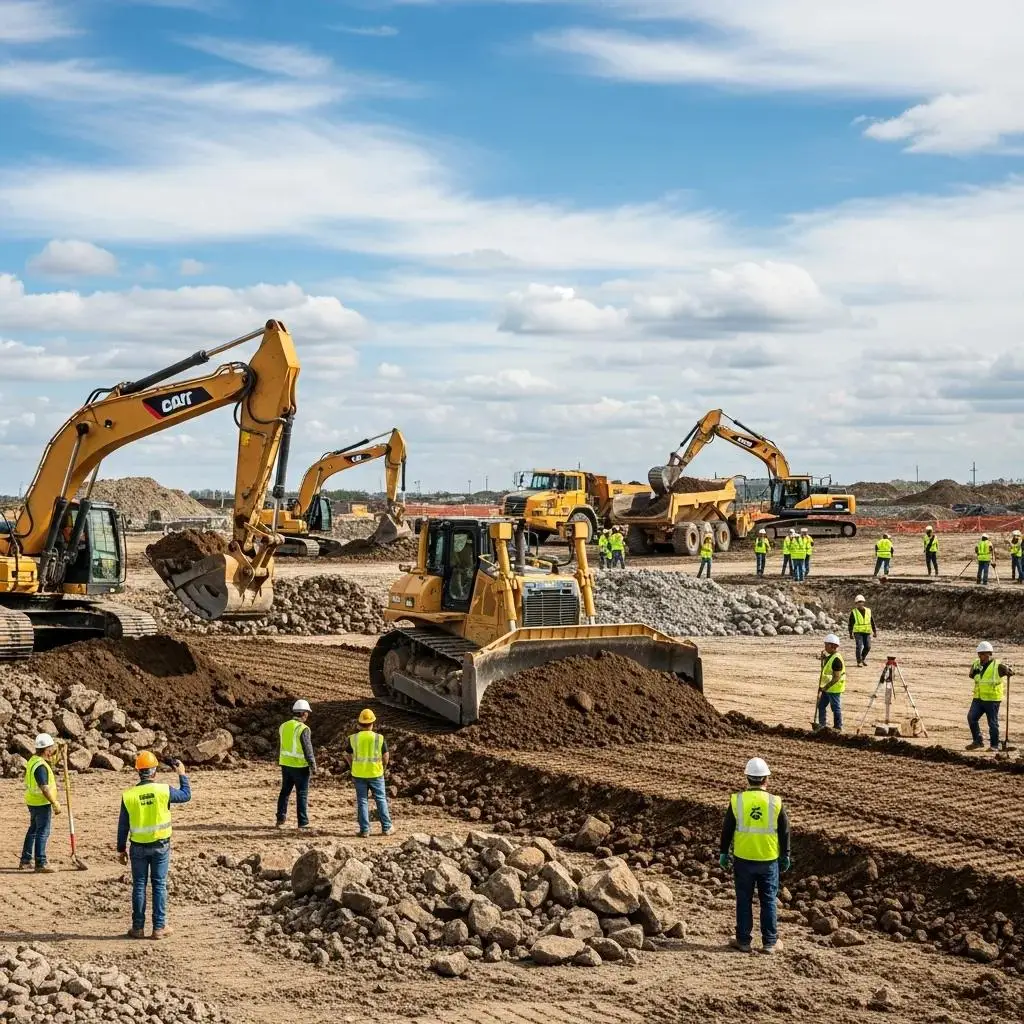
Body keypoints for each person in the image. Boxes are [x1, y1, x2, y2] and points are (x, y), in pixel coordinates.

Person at [719, 757, 790, 955]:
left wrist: (724, 852)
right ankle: (770, 942)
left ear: (747, 778)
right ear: (766, 779)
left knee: (743, 899)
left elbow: (727, 829)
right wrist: (785, 855)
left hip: (743, 860)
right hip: (768, 860)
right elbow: (784, 832)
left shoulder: (737, 800)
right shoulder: (775, 802)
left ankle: (743, 941)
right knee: (768, 900)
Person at [117, 752, 191, 940]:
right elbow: (185, 795)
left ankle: (138, 928)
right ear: (154, 772)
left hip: (138, 847)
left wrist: (120, 849)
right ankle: (159, 927)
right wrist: (182, 774)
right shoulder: (163, 790)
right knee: (159, 885)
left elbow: (123, 825)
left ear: (138, 772)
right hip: (160, 846)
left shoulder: (129, 796)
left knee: (139, 885)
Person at [345, 709, 393, 838]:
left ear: (359, 723)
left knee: (362, 801)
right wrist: (383, 767)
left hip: (359, 774)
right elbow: (386, 756)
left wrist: (352, 766)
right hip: (376, 773)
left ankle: (365, 830)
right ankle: (386, 828)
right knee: (381, 799)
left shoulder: (353, 738)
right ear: (373, 723)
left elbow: (347, 754)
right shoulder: (379, 738)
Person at [20, 734, 62, 872]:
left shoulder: (34, 760)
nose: (52, 750)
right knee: (43, 832)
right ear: (46, 750)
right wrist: (54, 802)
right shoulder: (40, 767)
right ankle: (41, 862)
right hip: (41, 803)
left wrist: (61, 753)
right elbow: (44, 787)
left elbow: (51, 762)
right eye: (51, 748)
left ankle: (25, 861)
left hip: (32, 801)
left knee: (33, 830)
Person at [277, 699, 316, 829]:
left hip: (286, 764)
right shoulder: (303, 728)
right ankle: (303, 822)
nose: (308, 716)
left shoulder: (283, 726)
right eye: (307, 713)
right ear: (304, 713)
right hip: (300, 767)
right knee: (302, 794)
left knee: (285, 792)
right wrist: (313, 765)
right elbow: (307, 749)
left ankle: (280, 818)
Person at [966, 641, 1010, 752]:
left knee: (992, 723)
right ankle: (978, 741)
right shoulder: (977, 664)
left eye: (981, 654)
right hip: (978, 698)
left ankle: (994, 745)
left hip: (992, 700)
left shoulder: (997, 666)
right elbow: (971, 675)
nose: (979, 656)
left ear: (988, 654)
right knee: (971, 717)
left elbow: (1009, 672)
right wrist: (975, 671)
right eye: (979, 654)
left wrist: (1008, 671)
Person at [816, 633, 845, 730]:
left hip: (834, 688)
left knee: (835, 708)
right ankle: (822, 725)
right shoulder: (831, 656)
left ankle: (838, 727)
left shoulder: (837, 659)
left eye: (826, 645)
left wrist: (825, 687)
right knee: (821, 706)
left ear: (832, 646)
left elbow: (836, 677)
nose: (825, 647)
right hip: (826, 687)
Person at [848, 594, 877, 667]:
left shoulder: (868, 611)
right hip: (857, 632)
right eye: (858, 602)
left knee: (868, 646)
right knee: (859, 646)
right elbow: (850, 623)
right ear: (856, 604)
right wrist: (850, 633)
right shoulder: (854, 612)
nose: (860, 603)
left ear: (863, 602)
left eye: (861, 602)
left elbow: (872, 621)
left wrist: (874, 631)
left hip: (867, 632)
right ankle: (859, 662)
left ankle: (862, 658)